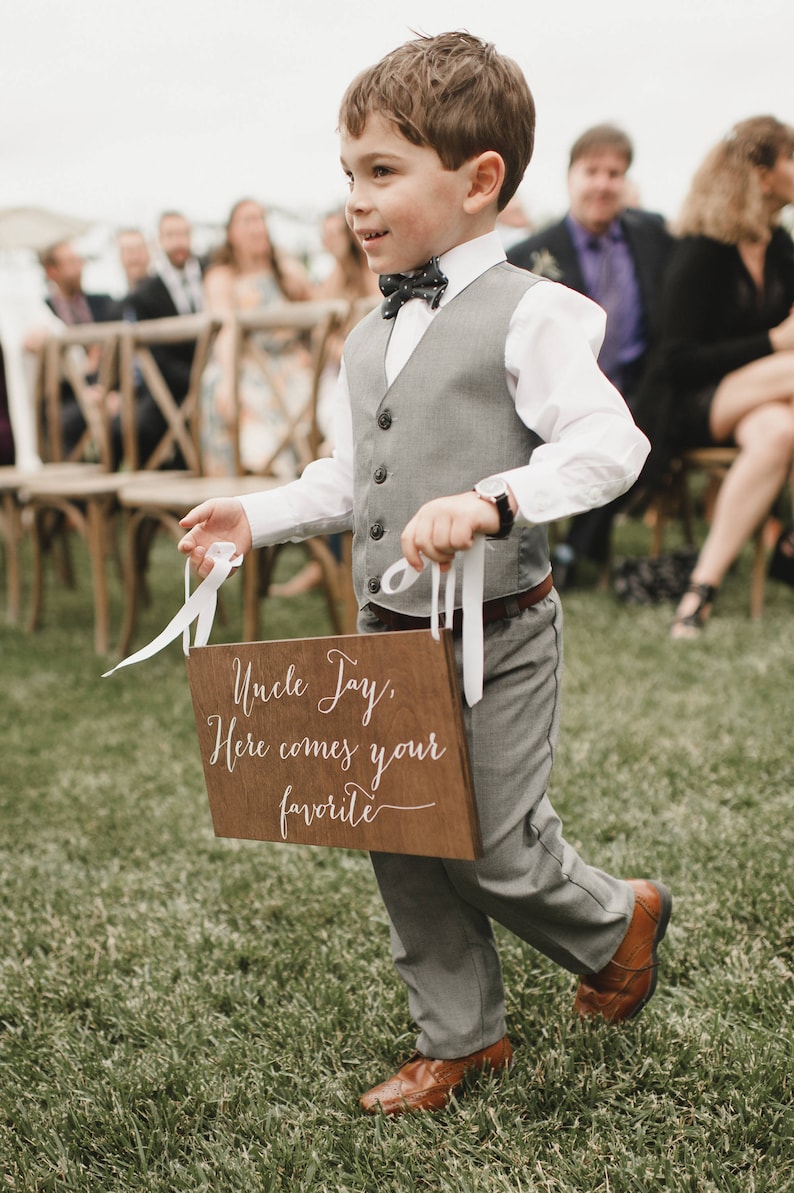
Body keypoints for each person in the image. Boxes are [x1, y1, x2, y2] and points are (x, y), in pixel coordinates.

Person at [178, 32, 671, 1117]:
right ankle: (461, 1035)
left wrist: (496, 498)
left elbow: (610, 445)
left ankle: (615, 920)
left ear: (479, 177)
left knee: (493, 846)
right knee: (398, 835)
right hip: (384, 637)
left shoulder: (530, 311)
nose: (355, 199)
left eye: (382, 172)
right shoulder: (367, 336)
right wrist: (249, 516)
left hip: (496, 629)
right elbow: (350, 476)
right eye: (347, 174)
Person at [646, 116, 794, 637]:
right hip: (689, 404)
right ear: (761, 172)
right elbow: (675, 361)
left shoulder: (780, 248)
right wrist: (773, 344)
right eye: (791, 159)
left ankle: (699, 591)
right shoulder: (702, 251)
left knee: (779, 431)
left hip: (762, 405)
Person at [508, 125, 674, 587]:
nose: (603, 183)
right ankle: (579, 545)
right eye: (593, 171)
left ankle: (577, 547)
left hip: (643, 387)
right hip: (567, 392)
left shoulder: (653, 235)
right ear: (570, 177)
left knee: (653, 415)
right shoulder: (529, 254)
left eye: (615, 173)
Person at [198, 198, 313, 477]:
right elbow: (225, 329)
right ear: (231, 233)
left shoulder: (286, 271)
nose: (257, 227)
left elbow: (318, 312)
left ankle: (308, 473)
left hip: (292, 364)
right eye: (248, 220)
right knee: (239, 396)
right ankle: (259, 474)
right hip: (246, 364)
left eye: (261, 219)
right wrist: (228, 377)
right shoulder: (222, 276)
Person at [130, 212, 204, 405]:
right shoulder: (145, 294)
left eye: (183, 234)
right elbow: (156, 357)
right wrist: (198, 381)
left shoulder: (212, 271)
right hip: (172, 394)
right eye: (171, 236)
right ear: (159, 241)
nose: (179, 242)